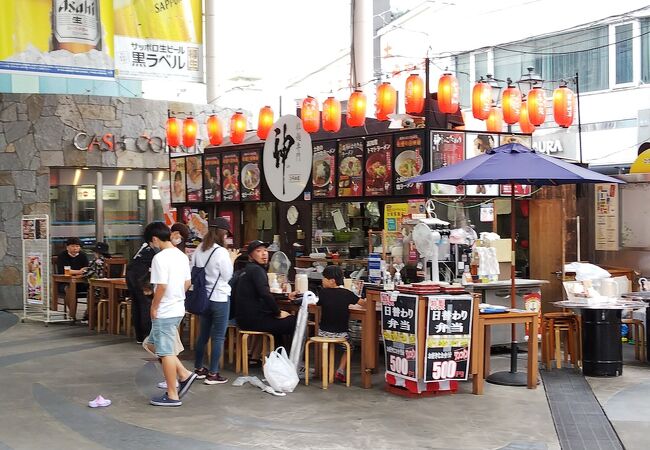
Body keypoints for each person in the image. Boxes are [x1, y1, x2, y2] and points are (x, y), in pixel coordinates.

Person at [145, 221, 197, 407]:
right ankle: (184, 374)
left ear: (154, 239)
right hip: (177, 308)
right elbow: (187, 282)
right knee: (151, 344)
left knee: (165, 352)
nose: (152, 246)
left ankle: (172, 394)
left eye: (151, 243)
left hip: (165, 310)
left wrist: (154, 306)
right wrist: (177, 296)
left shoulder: (160, 258)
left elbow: (161, 287)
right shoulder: (181, 255)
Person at [192, 218, 240, 385]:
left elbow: (194, 270)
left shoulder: (199, 249)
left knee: (203, 335)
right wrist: (232, 259)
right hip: (219, 298)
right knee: (218, 337)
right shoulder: (221, 252)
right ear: (222, 233)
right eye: (226, 234)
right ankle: (213, 374)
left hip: (203, 298)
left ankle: (198, 369)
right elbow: (227, 276)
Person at [234, 240, 297, 345]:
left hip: (244, 319)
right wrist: (278, 312)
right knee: (294, 322)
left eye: (266, 250)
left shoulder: (247, 270)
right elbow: (265, 294)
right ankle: (290, 356)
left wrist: (285, 296)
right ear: (250, 256)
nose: (264, 253)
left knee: (279, 324)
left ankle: (277, 355)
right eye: (258, 251)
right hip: (253, 320)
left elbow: (262, 292)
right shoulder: (257, 270)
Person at [317, 265, 365, 383]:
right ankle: (340, 370)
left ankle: (324, 369)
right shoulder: (347, 294)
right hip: (341, 335)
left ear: (332, 281)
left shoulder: (323, 293)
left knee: (326, 344)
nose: (322, 280)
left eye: (324, 278)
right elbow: (362, 303)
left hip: (322, 333)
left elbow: (318, 304)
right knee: (351, 346)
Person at [125, 237, 156, 343]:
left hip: (132, 277)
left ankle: (140, 336)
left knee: (138, 306)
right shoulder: (151, 251)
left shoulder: (143, 248)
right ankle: (146, 335)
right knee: (145, 306)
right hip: (142, 279)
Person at [57, 237, 89, 322]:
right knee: (69, 289)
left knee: (93, 288)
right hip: (65, 282)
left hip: (80, 282)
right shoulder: (62, 255)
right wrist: (79, 271)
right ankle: (72, 314)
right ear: (67, 247)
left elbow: (86, 269)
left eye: (77, 246)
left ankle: (89, 313)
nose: (75, 248)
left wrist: (77, 272)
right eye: (73, 246)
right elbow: (64, 271)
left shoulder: (83, 255)